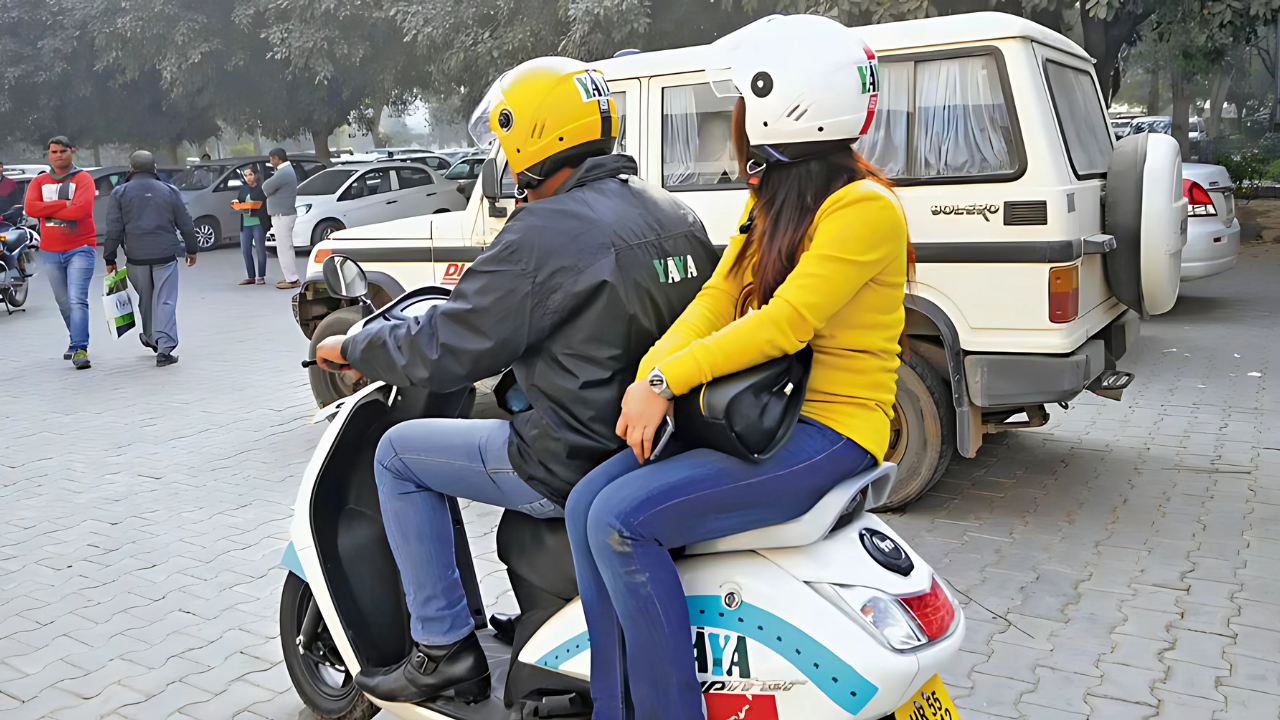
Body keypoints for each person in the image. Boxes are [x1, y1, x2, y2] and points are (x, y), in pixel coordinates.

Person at [312, 56, 719, 705]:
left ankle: (443, 648)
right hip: (653, 448)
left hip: (571, 457)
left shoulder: (545, 231)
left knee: (397, 455)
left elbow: (446, 345)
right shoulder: (673, 211)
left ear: (534, 141)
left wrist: (354, 343)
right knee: (450, 438)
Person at [563, 16, 912, 720]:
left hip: (831, 430)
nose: (739, 121)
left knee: (622, 521)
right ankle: (613, 704)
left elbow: (784, 323)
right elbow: (719, 298)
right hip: (766, 420)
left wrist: (666, 383)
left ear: (783, 103)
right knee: (583, 506)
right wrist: (648, 376)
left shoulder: (865, 210)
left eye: (746, 103)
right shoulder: (777, 197)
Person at [103, 151, 199, 367]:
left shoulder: (120, 193)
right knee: (165, 300)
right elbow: (185, 222)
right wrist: (191, 248)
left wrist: (109, 257)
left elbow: (114, 229)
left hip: (135, 257)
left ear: (131, 169)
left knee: (146, 299)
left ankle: (150, 337)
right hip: (165, 255)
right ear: (154, 168)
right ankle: (164, 348)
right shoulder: (169, 191)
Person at [24, 136, 97, 369]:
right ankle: (75, 340)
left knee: (77, 299)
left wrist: (47, 211)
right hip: (50, 250)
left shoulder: (83, 179)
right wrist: (64, 204)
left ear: (72, 152)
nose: (58, 155)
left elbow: (81, 211)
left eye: (63, 151)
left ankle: (80, 347)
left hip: (81, 247)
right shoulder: (39, 181)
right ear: (48, 154)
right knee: (63, 301)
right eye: (54, 151)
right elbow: (30, 208)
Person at [262, 148, 301, 289]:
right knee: (283, 247)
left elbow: (266, 187)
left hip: (283, 215)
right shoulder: (283, 171)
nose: (270, 161)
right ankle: (289, 277)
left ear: (278, 159)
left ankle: (292, 279)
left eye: (272, 159)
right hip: (281, 214)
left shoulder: (284, 172)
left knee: (285, 247)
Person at [232, 166, 270, 285]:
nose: (248, 177)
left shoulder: (261, 189)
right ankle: (251, 276)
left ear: (255, 175)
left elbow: (262, 205)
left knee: (260, 250)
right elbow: (240, 200)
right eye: (246, 175)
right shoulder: (243, 189)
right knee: (245, 250)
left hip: (257, 222)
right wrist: (237, 202)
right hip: (245, 222)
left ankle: (261, 275)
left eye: (250, 174)